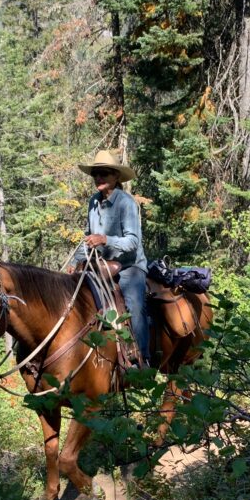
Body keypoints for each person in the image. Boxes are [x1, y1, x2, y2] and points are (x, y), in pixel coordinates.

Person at [69, 150, 149, 365]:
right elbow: (88, 237)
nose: (98, 178)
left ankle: (141, 359)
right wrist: (76, 262)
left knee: (133, 303)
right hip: (101, 264)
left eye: (104, 173)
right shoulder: (93, 202)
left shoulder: (126, 203)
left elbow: (133, 242)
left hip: (129, 266)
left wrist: (105, 239)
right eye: (95, 174)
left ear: (115, 177)